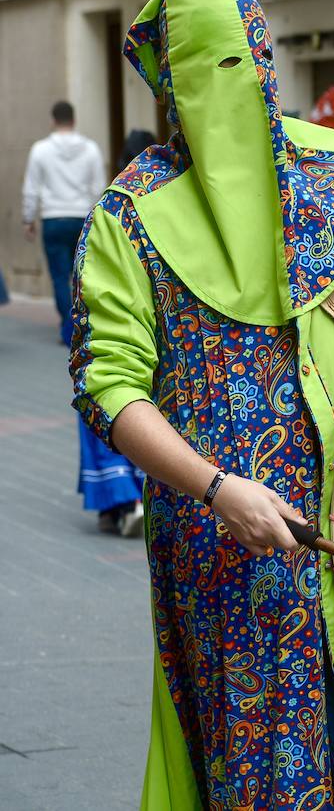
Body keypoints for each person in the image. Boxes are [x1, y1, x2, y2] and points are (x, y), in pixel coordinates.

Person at [69, 0, 334, 810]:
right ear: (171, 81)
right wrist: (217, 491)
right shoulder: (130, 216)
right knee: (263, 769)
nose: (239, 85)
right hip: (228, 547)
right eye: (210, 68)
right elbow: (108, 389)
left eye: (250, 60)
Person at [78, 128, 159, 538]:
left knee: (106, 401)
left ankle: (122, 499)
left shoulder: (111, 214)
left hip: (111, 346)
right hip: (157, 356)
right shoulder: (159, 209)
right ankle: (136, 497)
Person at [22, 99, 106, 346]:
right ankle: (83, 325)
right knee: (83, 276)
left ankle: (68, 328)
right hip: (81, 218)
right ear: (74, 120)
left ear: (53, 120)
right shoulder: (91, 149)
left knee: (60, 277)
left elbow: (31, 188)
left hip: (53, 219)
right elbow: (98, 187)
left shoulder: (40, 150)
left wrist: (29, 218)